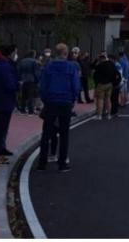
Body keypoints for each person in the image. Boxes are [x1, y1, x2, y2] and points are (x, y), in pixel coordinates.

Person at [37, 43, 80, 172]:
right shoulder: (71, 67)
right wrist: (73, 99)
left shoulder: (48, 67)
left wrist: (45, 100)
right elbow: (76, 86)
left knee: (46, 132)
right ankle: (62, 163)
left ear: (55, 53)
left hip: (51, 101)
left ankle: (42, 163)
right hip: (65, 101)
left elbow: (42, 86)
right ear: (66, 53)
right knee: (64, 133)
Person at [0, 45, 19, 166]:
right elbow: (9, 84)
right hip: (4, 101)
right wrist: (17, 85)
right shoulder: (6, 67)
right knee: (0, 130)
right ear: (10, 54)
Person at [92, 52, 118, 120]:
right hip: (109, 84)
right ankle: (109, 114)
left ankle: (99, 115)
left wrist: (96, 60)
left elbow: (93, 69)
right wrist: (113, 82)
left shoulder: (100, 65)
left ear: (101, 58)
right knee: (108, 99)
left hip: (101, 84)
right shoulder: (112, 64)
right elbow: (116, 74)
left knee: (100, 99)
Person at [17, 50, 40, 115]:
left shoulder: (22, 61)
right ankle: (30, 110)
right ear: (33, 55)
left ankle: (22, 109)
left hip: (23, 80)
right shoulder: (34, 61)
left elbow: (19, 71)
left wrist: (19, 79)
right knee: (31, 96)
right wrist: (38, 80)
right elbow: (36, 72)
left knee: (23, 95)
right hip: (31, 80)